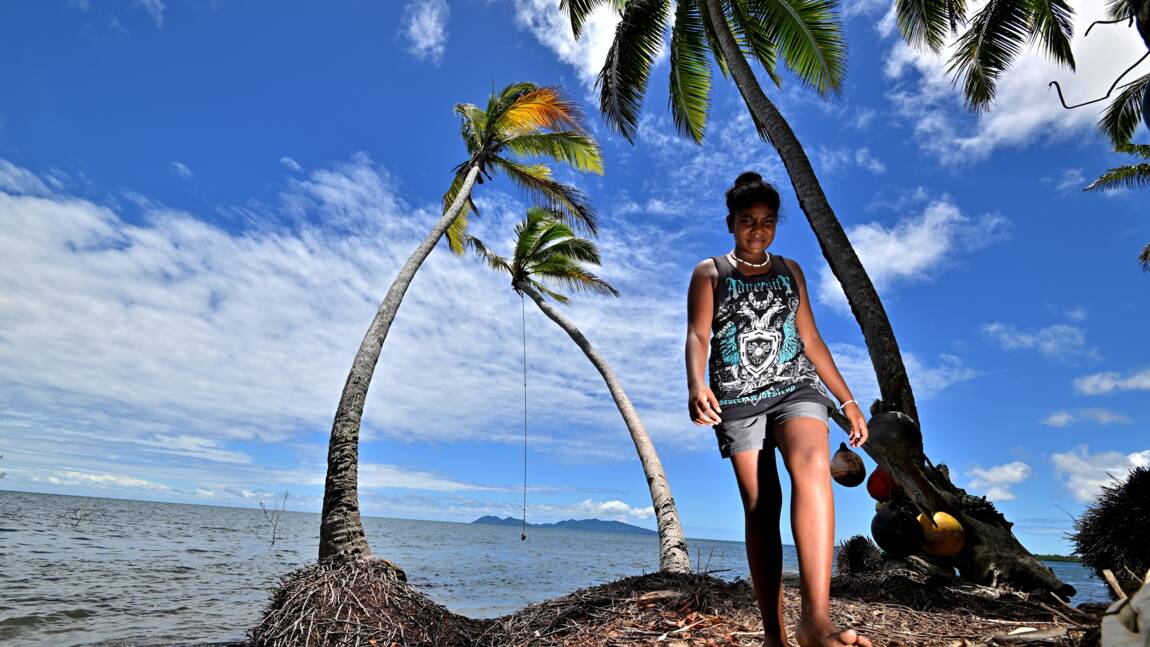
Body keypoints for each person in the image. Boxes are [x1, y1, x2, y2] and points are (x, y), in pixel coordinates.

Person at [684, 171, 872, 647]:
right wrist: (696, 384)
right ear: (731, 223)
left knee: (810, 466)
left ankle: (816, 621)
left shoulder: (790, 271)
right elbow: (698, 335)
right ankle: (775, 635)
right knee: (761, 506)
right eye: (748, 221)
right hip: (737, 399)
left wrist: (848, 400)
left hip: (796, 387)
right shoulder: (710, 273)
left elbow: (809, 338)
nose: (758, 230)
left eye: (767, 222)